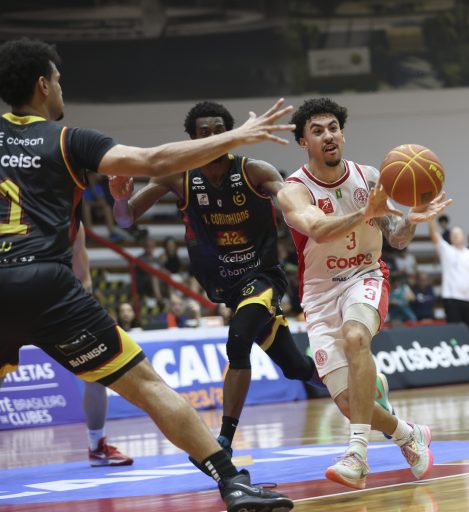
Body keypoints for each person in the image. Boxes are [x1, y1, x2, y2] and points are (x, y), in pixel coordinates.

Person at [0, 38, 295, 511]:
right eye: (58, 80)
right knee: (148, 387)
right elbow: (156, 161)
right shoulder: (69, 139)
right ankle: (232, 482)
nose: (61, 89)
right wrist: (238, 135)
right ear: (43, 85)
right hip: (46, 285)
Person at [111, 100, 383, 473]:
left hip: (263, 277)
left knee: (238, 341)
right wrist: (120, 198)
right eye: (204, 133)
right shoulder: (178, 176)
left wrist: (320, 215)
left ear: (231, 135)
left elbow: (294, 200)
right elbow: (125, 219)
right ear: (192, 140)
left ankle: (222, 440)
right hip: (228, 287)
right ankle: (367, 391)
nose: (212, 137)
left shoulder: (255, 171)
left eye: (219, 131)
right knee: (295, 368)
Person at [278, 97, 451, 490]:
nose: (328, 136)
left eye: (333, 128)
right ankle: (408, 434)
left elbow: (397, 239)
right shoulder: (293, 191)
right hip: (320, 294)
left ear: (342, 134)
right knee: (348, 402)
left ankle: (356, 455)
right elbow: (317, 229)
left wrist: (410, 221)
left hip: (366, 275)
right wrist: (365, 212)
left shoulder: (371, 177)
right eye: (317, 131)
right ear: (304, 142)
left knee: (356, 337)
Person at [72, 224, 134, 466]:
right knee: (96, 373)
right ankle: (96, 446)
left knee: (97, 374)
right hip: (50, 301)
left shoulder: (69, 218)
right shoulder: (66, 216)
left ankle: (97, 446)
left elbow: (83, 277)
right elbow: (83, 277)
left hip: (29, 298)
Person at [428, 220, 469, 337]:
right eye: (453, 234)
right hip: (452, 298)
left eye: (458, 234)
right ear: (450, 237)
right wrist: (431, 218)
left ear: (463, 236)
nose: (455, 236)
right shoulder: (446, 250)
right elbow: (433, 234)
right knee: (454, 332)